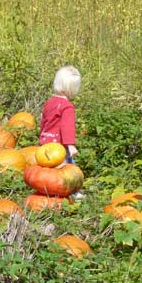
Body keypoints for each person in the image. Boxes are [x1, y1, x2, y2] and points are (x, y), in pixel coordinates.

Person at [39, 66, 83, 196]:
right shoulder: (67, 107)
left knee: (48, 171)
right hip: (59, 147)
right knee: (68, 171)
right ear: (72, 88)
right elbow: (67, 127)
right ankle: (73, 193)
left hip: (45, 144)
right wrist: (71, 146)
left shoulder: (49, 102)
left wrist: (42, 137)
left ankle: (48, 191)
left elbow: (44, 121)